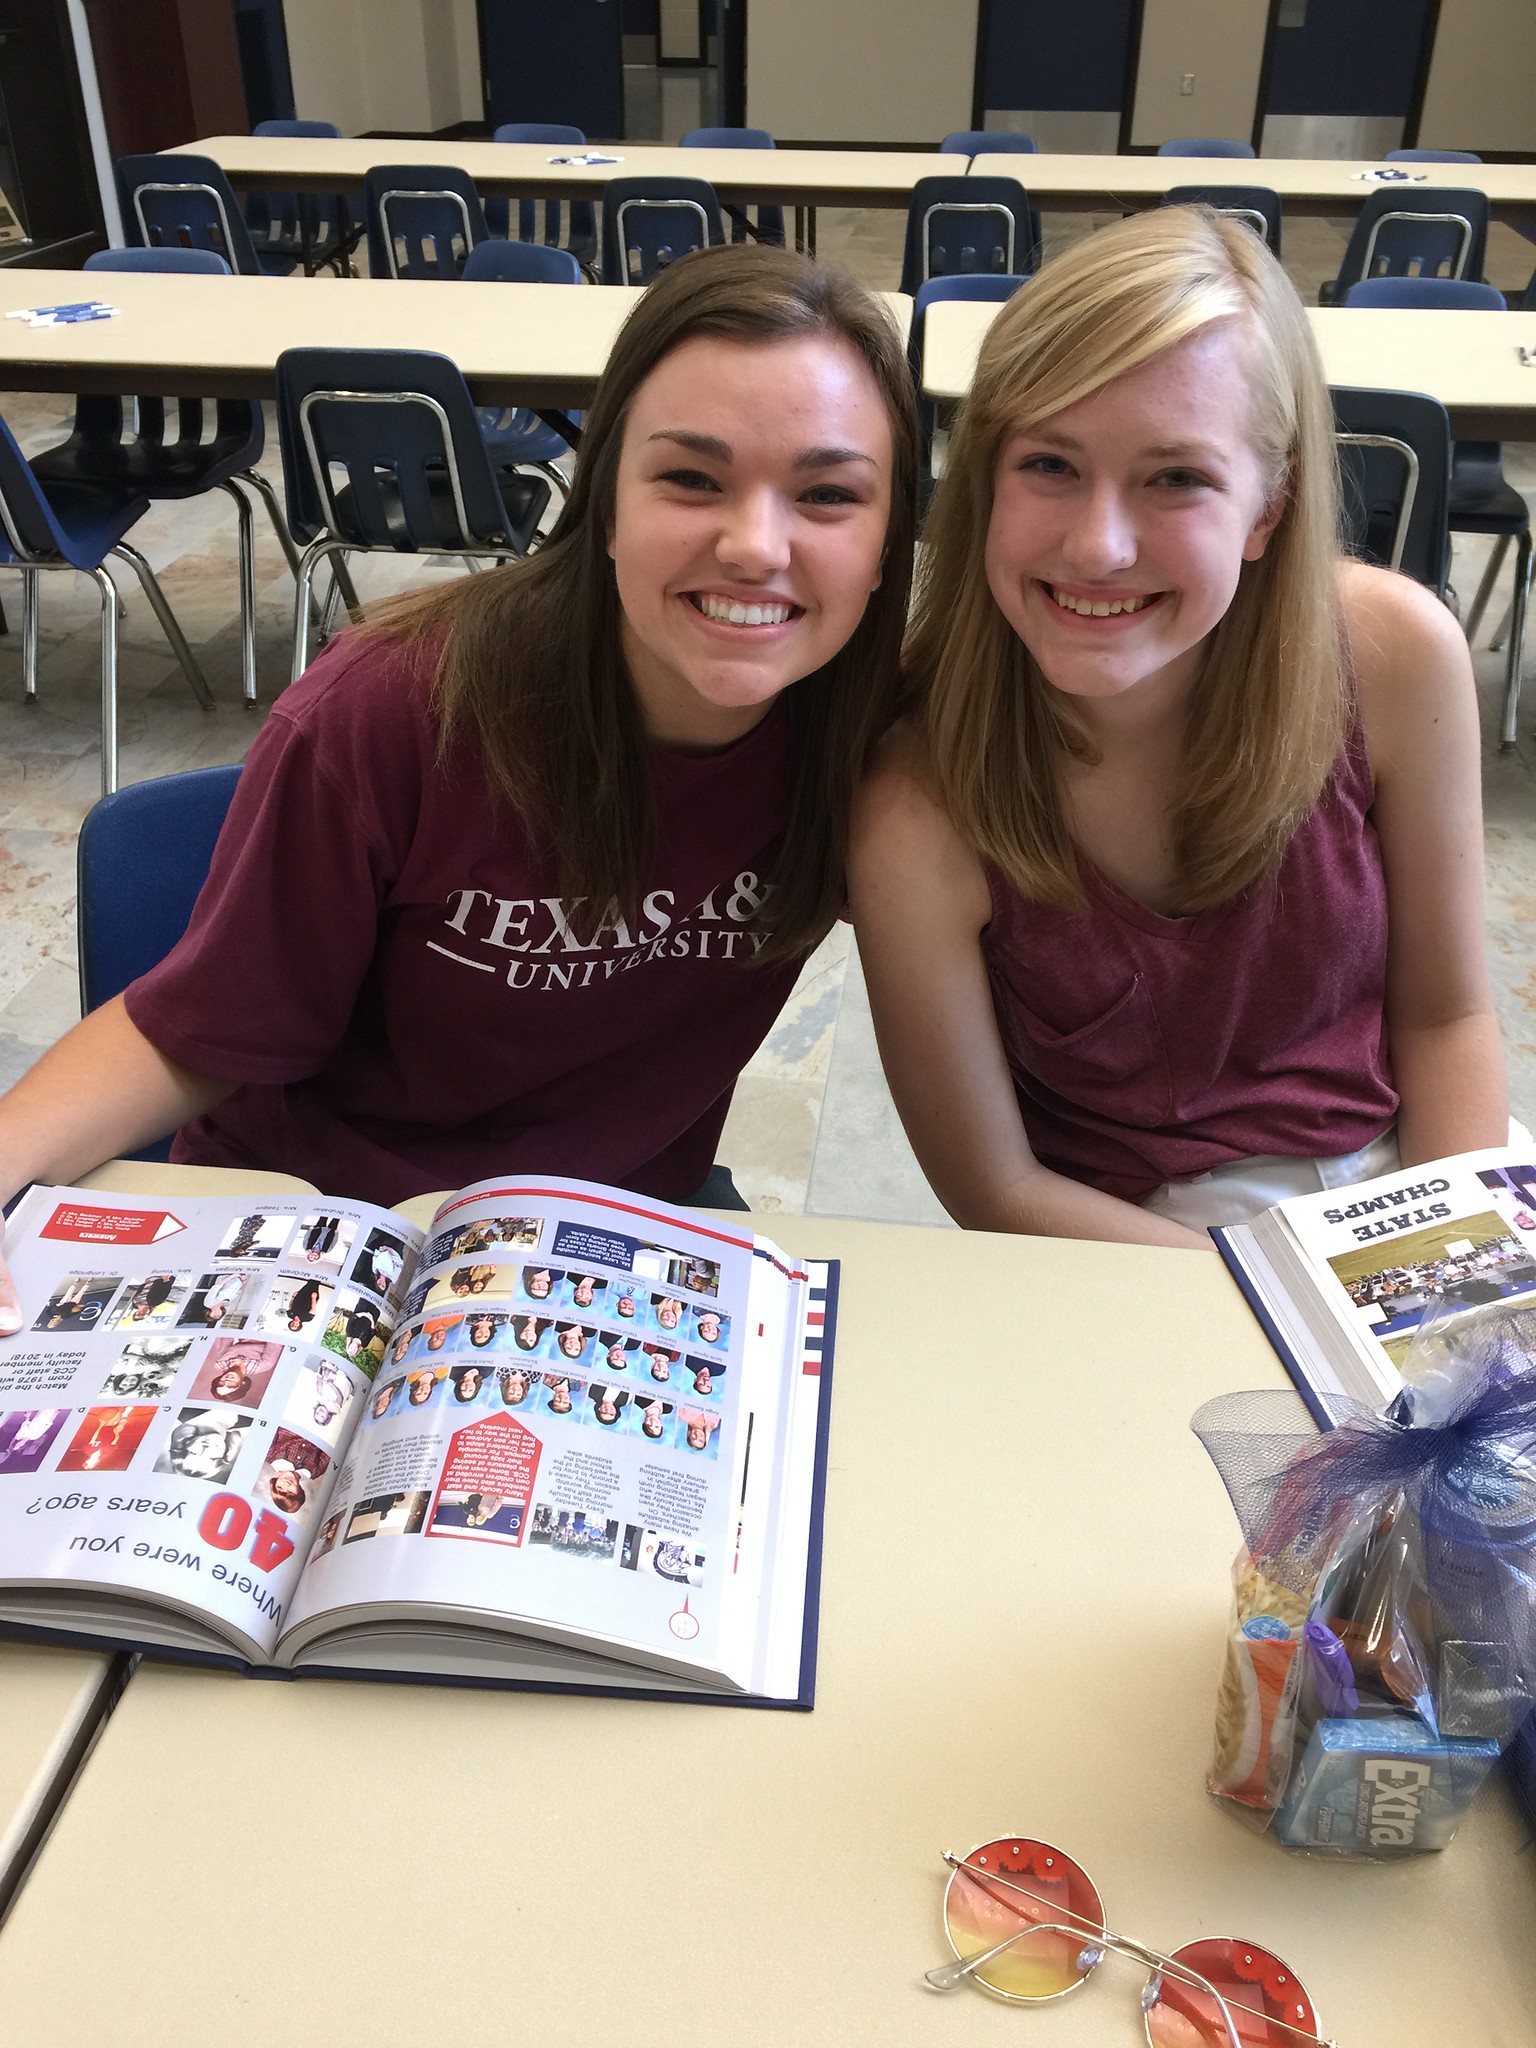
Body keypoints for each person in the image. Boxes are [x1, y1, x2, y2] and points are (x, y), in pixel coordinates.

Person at [0, 243, 917, 1335]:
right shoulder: (393, 711)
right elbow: (195, 1029)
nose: (755, 544)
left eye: (827, 494)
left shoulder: (867, 746)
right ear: (606, 502)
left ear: (886, 540)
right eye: (690, 478)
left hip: (601, 1244)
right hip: (327, 1236)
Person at [851, 208, 1507, 1248]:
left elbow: (1446, 1018)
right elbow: (998, 1188)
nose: (1100, 544)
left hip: (1414, 1180)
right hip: (1142, 1239)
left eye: (1177, 478)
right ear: (981, 478)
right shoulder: (920, 804)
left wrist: (1449, 1253)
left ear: (1266, 511)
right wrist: (1273, 1294)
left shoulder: (1391, 656)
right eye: (1050, 465)